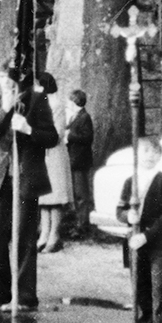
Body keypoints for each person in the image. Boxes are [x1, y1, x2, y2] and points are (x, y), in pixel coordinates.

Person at [0, 67, 58, 312]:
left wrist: (28, 129)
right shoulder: (0, 101)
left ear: (17, 80)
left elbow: (52, 137)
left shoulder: (36, 99)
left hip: (27, 177)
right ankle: (0, 294)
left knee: (24, 239)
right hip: (5, 178)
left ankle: (25, 298)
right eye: (0, 78)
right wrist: (4, 109)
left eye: (8, 79)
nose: (3, 83)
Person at [118, 137, 162, 323]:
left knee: (158, 288)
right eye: (145, 151)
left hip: (156, 245)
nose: (150, 156)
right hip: (135, 244)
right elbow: (119, 210)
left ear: (160, 156)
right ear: (136, 154)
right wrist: (128, 216)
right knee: (140, 288)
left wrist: (147, 235)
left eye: (155, 152)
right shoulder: (130, 182)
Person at [35, 72, 72, 254]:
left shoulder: (55, 104)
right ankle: (44, 233)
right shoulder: (39, 103)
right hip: (42, 153)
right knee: (43, 197)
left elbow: (57, 133)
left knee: (55, 196)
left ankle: (54, 235)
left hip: (53, 153)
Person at [65, 88, 95, 238]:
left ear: (75, 101)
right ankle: (79, 224)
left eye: (70, 100)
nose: (68, 103)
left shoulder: (84, 117)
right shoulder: (76, 116)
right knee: (77, 195)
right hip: (75, 160)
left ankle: (83, 226)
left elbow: (88, 137)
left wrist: (69, 136)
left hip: (80, 161)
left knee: (81, 196)